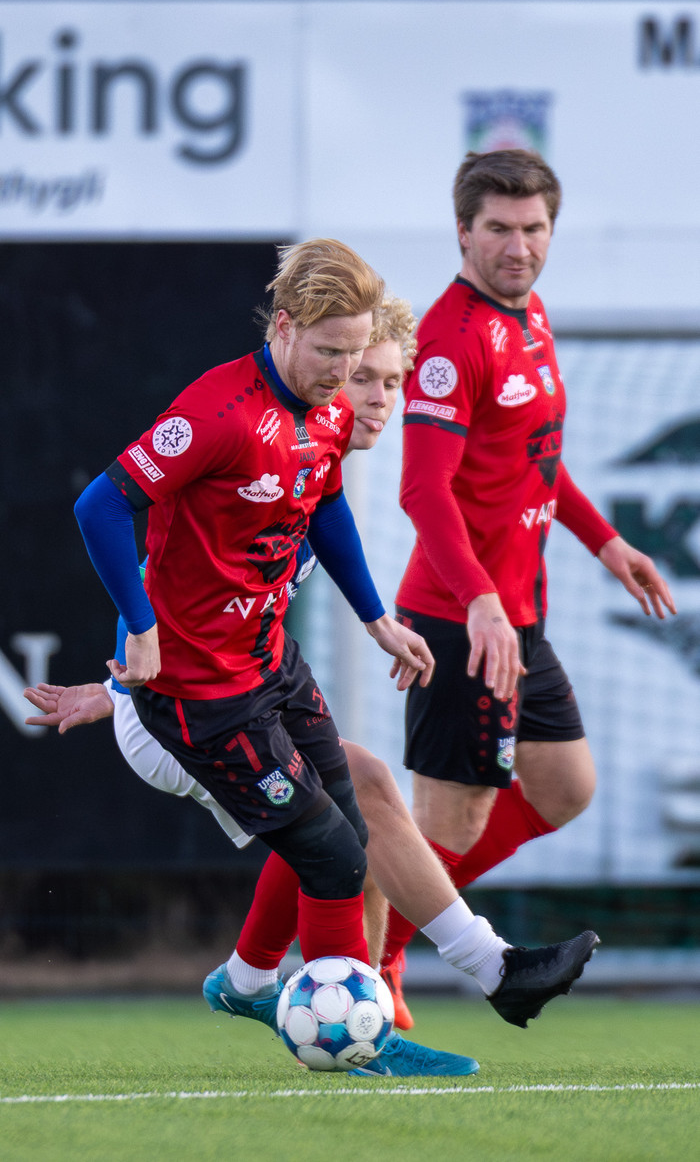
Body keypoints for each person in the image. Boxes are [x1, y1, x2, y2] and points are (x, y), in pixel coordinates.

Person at [31, 282, 598, 1077]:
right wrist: (125, 685)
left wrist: (375, 619)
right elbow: (150, 553)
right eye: (357, 373)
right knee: (337, 833)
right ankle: (377, 1017)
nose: (371, 396)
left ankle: (258, 979)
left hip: (231, 683)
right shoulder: (248, 426)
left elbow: (225, 572)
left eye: (389, 380)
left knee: (351, 797)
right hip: (185, 703)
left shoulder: (312, 453)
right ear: (299, 345)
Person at [378, 149, 676, 1001]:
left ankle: (383, 919)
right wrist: (477, 600)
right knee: (450, 818)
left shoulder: (530, 315)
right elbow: (421, 489)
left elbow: (534, 459)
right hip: (459, 618)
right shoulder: (450, 339)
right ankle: (368, 966)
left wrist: (606, 542)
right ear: (463, 232)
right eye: (499, 229)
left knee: (565, 785)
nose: (519, 247)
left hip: (516, 617)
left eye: (534, 228)